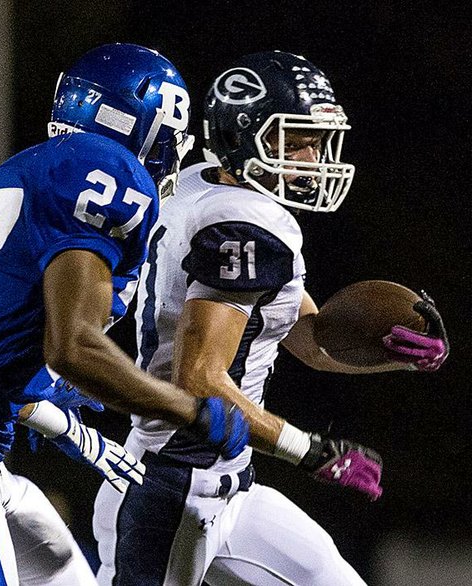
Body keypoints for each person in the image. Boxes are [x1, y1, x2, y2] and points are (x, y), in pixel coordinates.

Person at [0, 43, 251, 586]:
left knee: (64, 573)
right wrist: (191, 411)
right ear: (147, 123)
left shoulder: (26, 168)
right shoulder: (107, 170)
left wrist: (46, 401)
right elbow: (74, 346)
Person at [92, 50, 449, 586]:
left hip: (225, 483)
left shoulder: (202, 185)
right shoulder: (245, 223)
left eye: (318, 141)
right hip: (173, 482)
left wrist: (395, 359)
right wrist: (310, 451)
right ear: (241, 135)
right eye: (296, 140)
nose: (312, 157)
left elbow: (309, 341)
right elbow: (201, 382)